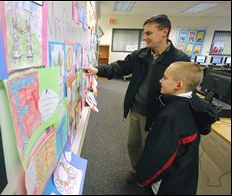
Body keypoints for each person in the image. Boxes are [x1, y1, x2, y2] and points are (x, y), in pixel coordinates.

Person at [82, 14, 190, 183]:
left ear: (164, 32)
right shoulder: (141, 54)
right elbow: (120, 67)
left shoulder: (179, 60)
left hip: (158, 115)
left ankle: (150, 179)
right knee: (134, 145)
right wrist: (98, 70)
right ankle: (137, 170)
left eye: (148, 33)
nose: (144, 37)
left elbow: (184, 90)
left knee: (154, 150)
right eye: (144, 33)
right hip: (136, 109)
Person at [136, 62, 218, 194]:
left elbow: (159, 156)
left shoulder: (171, 116)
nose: (160, 80)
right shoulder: (193, 104)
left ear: (179, 85)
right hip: (185, 178)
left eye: (165, 77)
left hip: (167, 184)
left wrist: (142, 178)